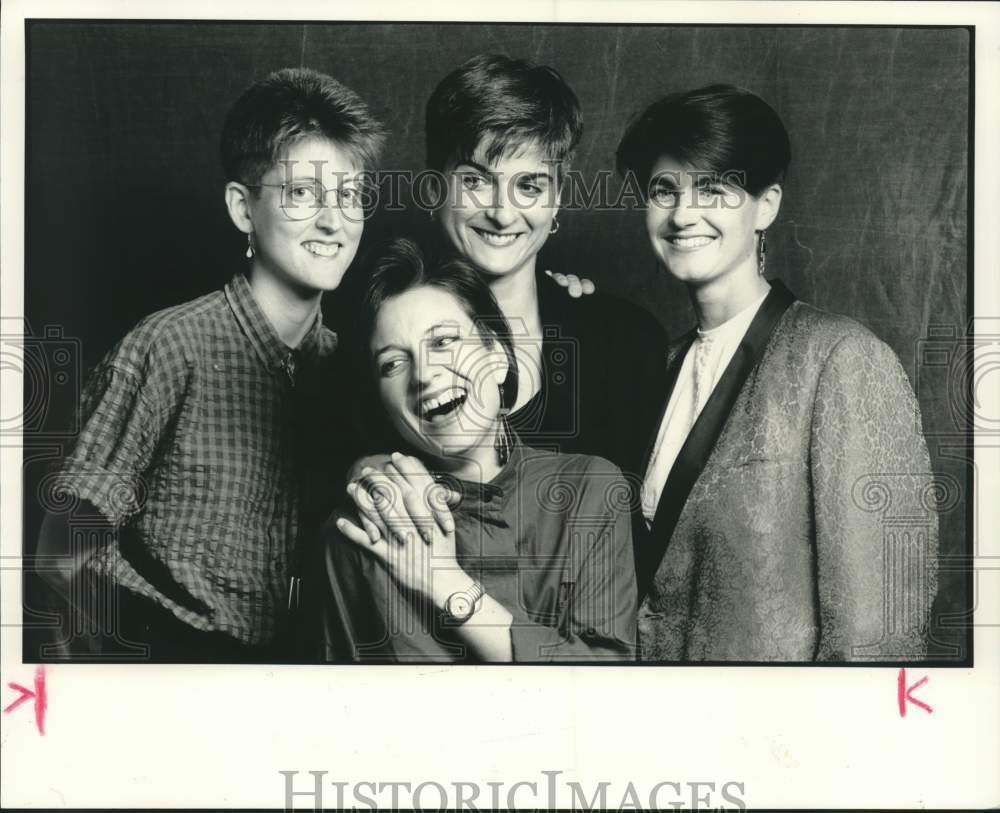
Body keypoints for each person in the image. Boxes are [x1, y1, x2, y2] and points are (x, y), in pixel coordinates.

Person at [34, 68, 386, 661]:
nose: (334, 221)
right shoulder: (170, 345)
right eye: (302, 194)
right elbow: (58, 555)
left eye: (349, 196)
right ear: (243, 209)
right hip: (166, 662)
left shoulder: (353, 368)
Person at [615, 84, 939, 661]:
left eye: (713, 188)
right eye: (665, 190)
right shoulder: (657, 364)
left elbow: (881, 630)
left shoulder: (842, 359)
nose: (684, 213)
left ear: (768, 204)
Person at [319, 238, 638, 662]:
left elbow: (610, 685)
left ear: (499, 355)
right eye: (393, 363)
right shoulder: (364, 530)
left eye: (444, 342)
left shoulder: (589, 490)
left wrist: (448, 585)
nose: (426, 376)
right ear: (380, 401)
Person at [422, 53, 669, 480]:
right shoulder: (377, 346)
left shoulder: (627, 346)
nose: (502, 212)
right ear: (433, 188)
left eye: (529, 185)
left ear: (556, 199)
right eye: (476, 180)